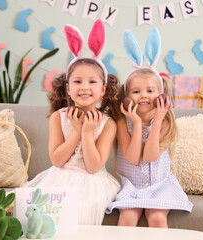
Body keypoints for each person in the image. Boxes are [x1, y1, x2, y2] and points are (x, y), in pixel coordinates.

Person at [24, 19, 120, 225]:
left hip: (92, 181)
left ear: (103, 89)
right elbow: (57, 161)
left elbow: (94, 167)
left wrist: (87, 133)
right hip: (60, 177)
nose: (84, 87)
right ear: (68, 88)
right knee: (38, 216)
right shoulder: (59, 117)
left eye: (92, 81)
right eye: (77, 81)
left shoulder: (108, 123)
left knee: (82, 211)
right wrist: (76, 131)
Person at [106, 28, 193, 228]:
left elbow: (150, 156)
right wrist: (136, 123)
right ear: (126, 96)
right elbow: (133, 158)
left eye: (150, 90)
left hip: (159, 185)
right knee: (127, 218)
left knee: (157, 218)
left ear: (161, 94)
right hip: (131, 185)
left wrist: (159, 119)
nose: (143, 95)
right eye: (136, 91)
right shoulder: (122, 122)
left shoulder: (165, 121)